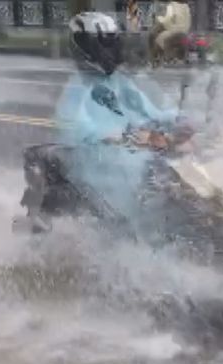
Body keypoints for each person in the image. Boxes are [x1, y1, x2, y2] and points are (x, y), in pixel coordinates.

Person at [23, 12, 193, 232]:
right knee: (153, 197)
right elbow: (74, 126)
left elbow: (150, 111)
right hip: (97, 168)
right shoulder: (77, 88)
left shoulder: (118, 81)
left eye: (114, 43)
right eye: (107, 44)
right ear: (87, 47)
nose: (114, 50)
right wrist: (117, 135)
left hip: (130, 158)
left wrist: (181, 119)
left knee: (178, 182)